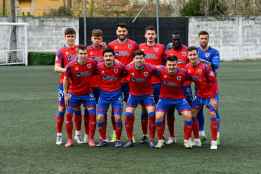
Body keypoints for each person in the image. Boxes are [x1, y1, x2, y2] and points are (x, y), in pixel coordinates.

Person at [108, 23, 138, 142]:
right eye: (120, 31)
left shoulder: (133, 44)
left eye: (123, 31)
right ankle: (115, 133)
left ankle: (131, 134)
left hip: (129, 81)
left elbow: (137, 58)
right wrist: (120, 66)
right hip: (115, 82)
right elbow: (109, 59)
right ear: (117, 32)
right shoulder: (111, 45)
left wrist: (128, 67)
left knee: (130, 108)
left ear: (127, 32)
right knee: (114, 109)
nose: (122, 33)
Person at [154, 56, 193, 149]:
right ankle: (160, 140)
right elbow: (147, 68)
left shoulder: (183, 73)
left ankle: (187, 140)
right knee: (158, 117)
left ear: (177, 64)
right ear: (166, 65)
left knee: (188, 116)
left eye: (174, 65)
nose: (171, 67)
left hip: (179, 99)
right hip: (164, 99)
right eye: (169, 65)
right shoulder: (160, 70)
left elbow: (193, 78)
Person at [63, 45, 97, 148]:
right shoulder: (71, 65)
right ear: (77, 54)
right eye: (81, 53)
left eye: (85, 53)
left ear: (88, 54)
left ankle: (90, 138)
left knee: (92, 114)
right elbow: (65, 80)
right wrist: (66, 94)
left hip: (88, 94)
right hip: (74, 94)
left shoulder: (92, 63)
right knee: (69, 115)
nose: (83, 55)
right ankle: (69, 139)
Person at [186, 46, 219, 150]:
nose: (192, 56)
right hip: (199, 95)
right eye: (190, 55)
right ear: (188, 56)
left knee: (213, 115)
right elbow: (186, 81)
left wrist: (213, 97)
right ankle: (197, 140)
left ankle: (214, 141)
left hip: (209, 95)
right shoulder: (187, 67)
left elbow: (213, 82)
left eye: (194, 54)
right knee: (192, 115)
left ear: (197, 55)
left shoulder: (205, 66)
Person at [123, 50, 157, 148]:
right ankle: (130, 140)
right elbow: (120, 75)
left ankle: (151, 140)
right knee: (128, 114)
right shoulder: (128, 68)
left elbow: (161, 72)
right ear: (133, 59)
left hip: (147, 95)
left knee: (151, 114)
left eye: (141, 58)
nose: (139, 60)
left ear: (144, 59)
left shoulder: (150, 68)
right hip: (133, 95)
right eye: (137, 58)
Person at [139, 25, 165, 143]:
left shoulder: (161, 47)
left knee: (160, 110)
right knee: (145, 110)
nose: (150, 36)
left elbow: (165, 64)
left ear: (155, 35)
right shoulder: (140, 47)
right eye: (148, 34)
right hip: (144, 84)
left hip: (158, 84)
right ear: (145, 35)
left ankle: (161, 134)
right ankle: (145, 134)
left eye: (152, 34)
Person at [95, 48, 126, 148]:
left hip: (116, 95)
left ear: (114, 57)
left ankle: (118, 139)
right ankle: (102, 139)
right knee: (100, 117)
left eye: (110, 56)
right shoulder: (98, 67)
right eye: (106, 56)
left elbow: (127, 75)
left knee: (117, 117)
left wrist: (122, 84)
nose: (108, 58)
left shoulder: (120, 66)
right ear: (103, 57)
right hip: (103, 95)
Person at [164, 33, 191, 144]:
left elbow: (190, 67)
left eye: (178, 39)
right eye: (174, 39)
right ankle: (172, 136)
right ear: (171, 40)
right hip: (170, 87)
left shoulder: (187, 51)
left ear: (181, 40)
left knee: (189, 112)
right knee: (170, 113)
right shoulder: (168, 52)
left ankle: (189, 137)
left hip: (185, 87)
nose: (176, 41)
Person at [54, 27, 78, 145]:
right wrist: (68, 70)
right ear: (65, 37)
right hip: (64, 84)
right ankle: (59, 135)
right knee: (62, 109)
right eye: (68, 36)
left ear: (75, 37)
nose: (70, 38)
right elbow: (56, 68)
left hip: (78, 85)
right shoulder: (61, 51)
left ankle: (78, 135)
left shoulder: (80, 49)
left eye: (72, 36)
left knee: (77, 109)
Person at [196, 31, 221, 145]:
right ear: (199, 39)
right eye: (201, 38)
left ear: (208, 39)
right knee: (198, 110)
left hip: (211, 87)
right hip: (199, 87)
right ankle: (201, 134)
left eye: (205, 38)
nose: (203, 40)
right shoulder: (195, 52)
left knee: (214, 111)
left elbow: (215, 65)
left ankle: (217, 136)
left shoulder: (214, 52)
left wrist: (200, 61)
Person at [85, 29, 107, 143]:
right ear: (91, 38)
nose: (97, 40)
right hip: (89, 85)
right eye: (95, 38)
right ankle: (87, 134)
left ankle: (103, 136)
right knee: (88, 111)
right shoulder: (87, 50)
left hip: (102, 85)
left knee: (102, 111)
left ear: (102, 39)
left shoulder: (105, 50)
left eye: (99, 38)